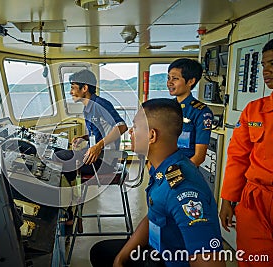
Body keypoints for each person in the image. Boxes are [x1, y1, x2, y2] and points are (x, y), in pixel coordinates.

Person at [90, 98, 224, 267]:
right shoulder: (163, 168)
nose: (130, 132)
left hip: (168, 261)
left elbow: (210, 262)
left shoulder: (183, 191)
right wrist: (121, 258)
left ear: (152, 135)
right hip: (156, 248)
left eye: (136, 127)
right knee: (101, 252)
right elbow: (155, 215)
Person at [219, 39, 273, 266]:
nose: (266, 71)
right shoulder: (255, 110)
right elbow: (238, 156)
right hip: (255, 201)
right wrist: (228, 199)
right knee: (253, 259)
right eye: (263, 65)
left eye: (272, 64)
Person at [53, 69, 128, 221]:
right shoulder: (88, 108)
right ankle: (71, 207)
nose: (70, 91)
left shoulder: (101, 104)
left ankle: (69, 210)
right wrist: (84, 137)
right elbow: (99, 132)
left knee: (57, 158)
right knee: (57, 153)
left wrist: (98, 146)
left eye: (73, 87)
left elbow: (121, 126)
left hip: (104, 161)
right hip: (94, 156)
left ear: (84, 88)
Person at [167, 58, 213, 166]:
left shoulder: (201, 113)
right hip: (163, 167)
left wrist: (175, 175)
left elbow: (199, 156)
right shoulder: (167, 107)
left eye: (175, 79)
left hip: (184, 171)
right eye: (168, 78)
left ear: (191, 81)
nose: (169, 83)